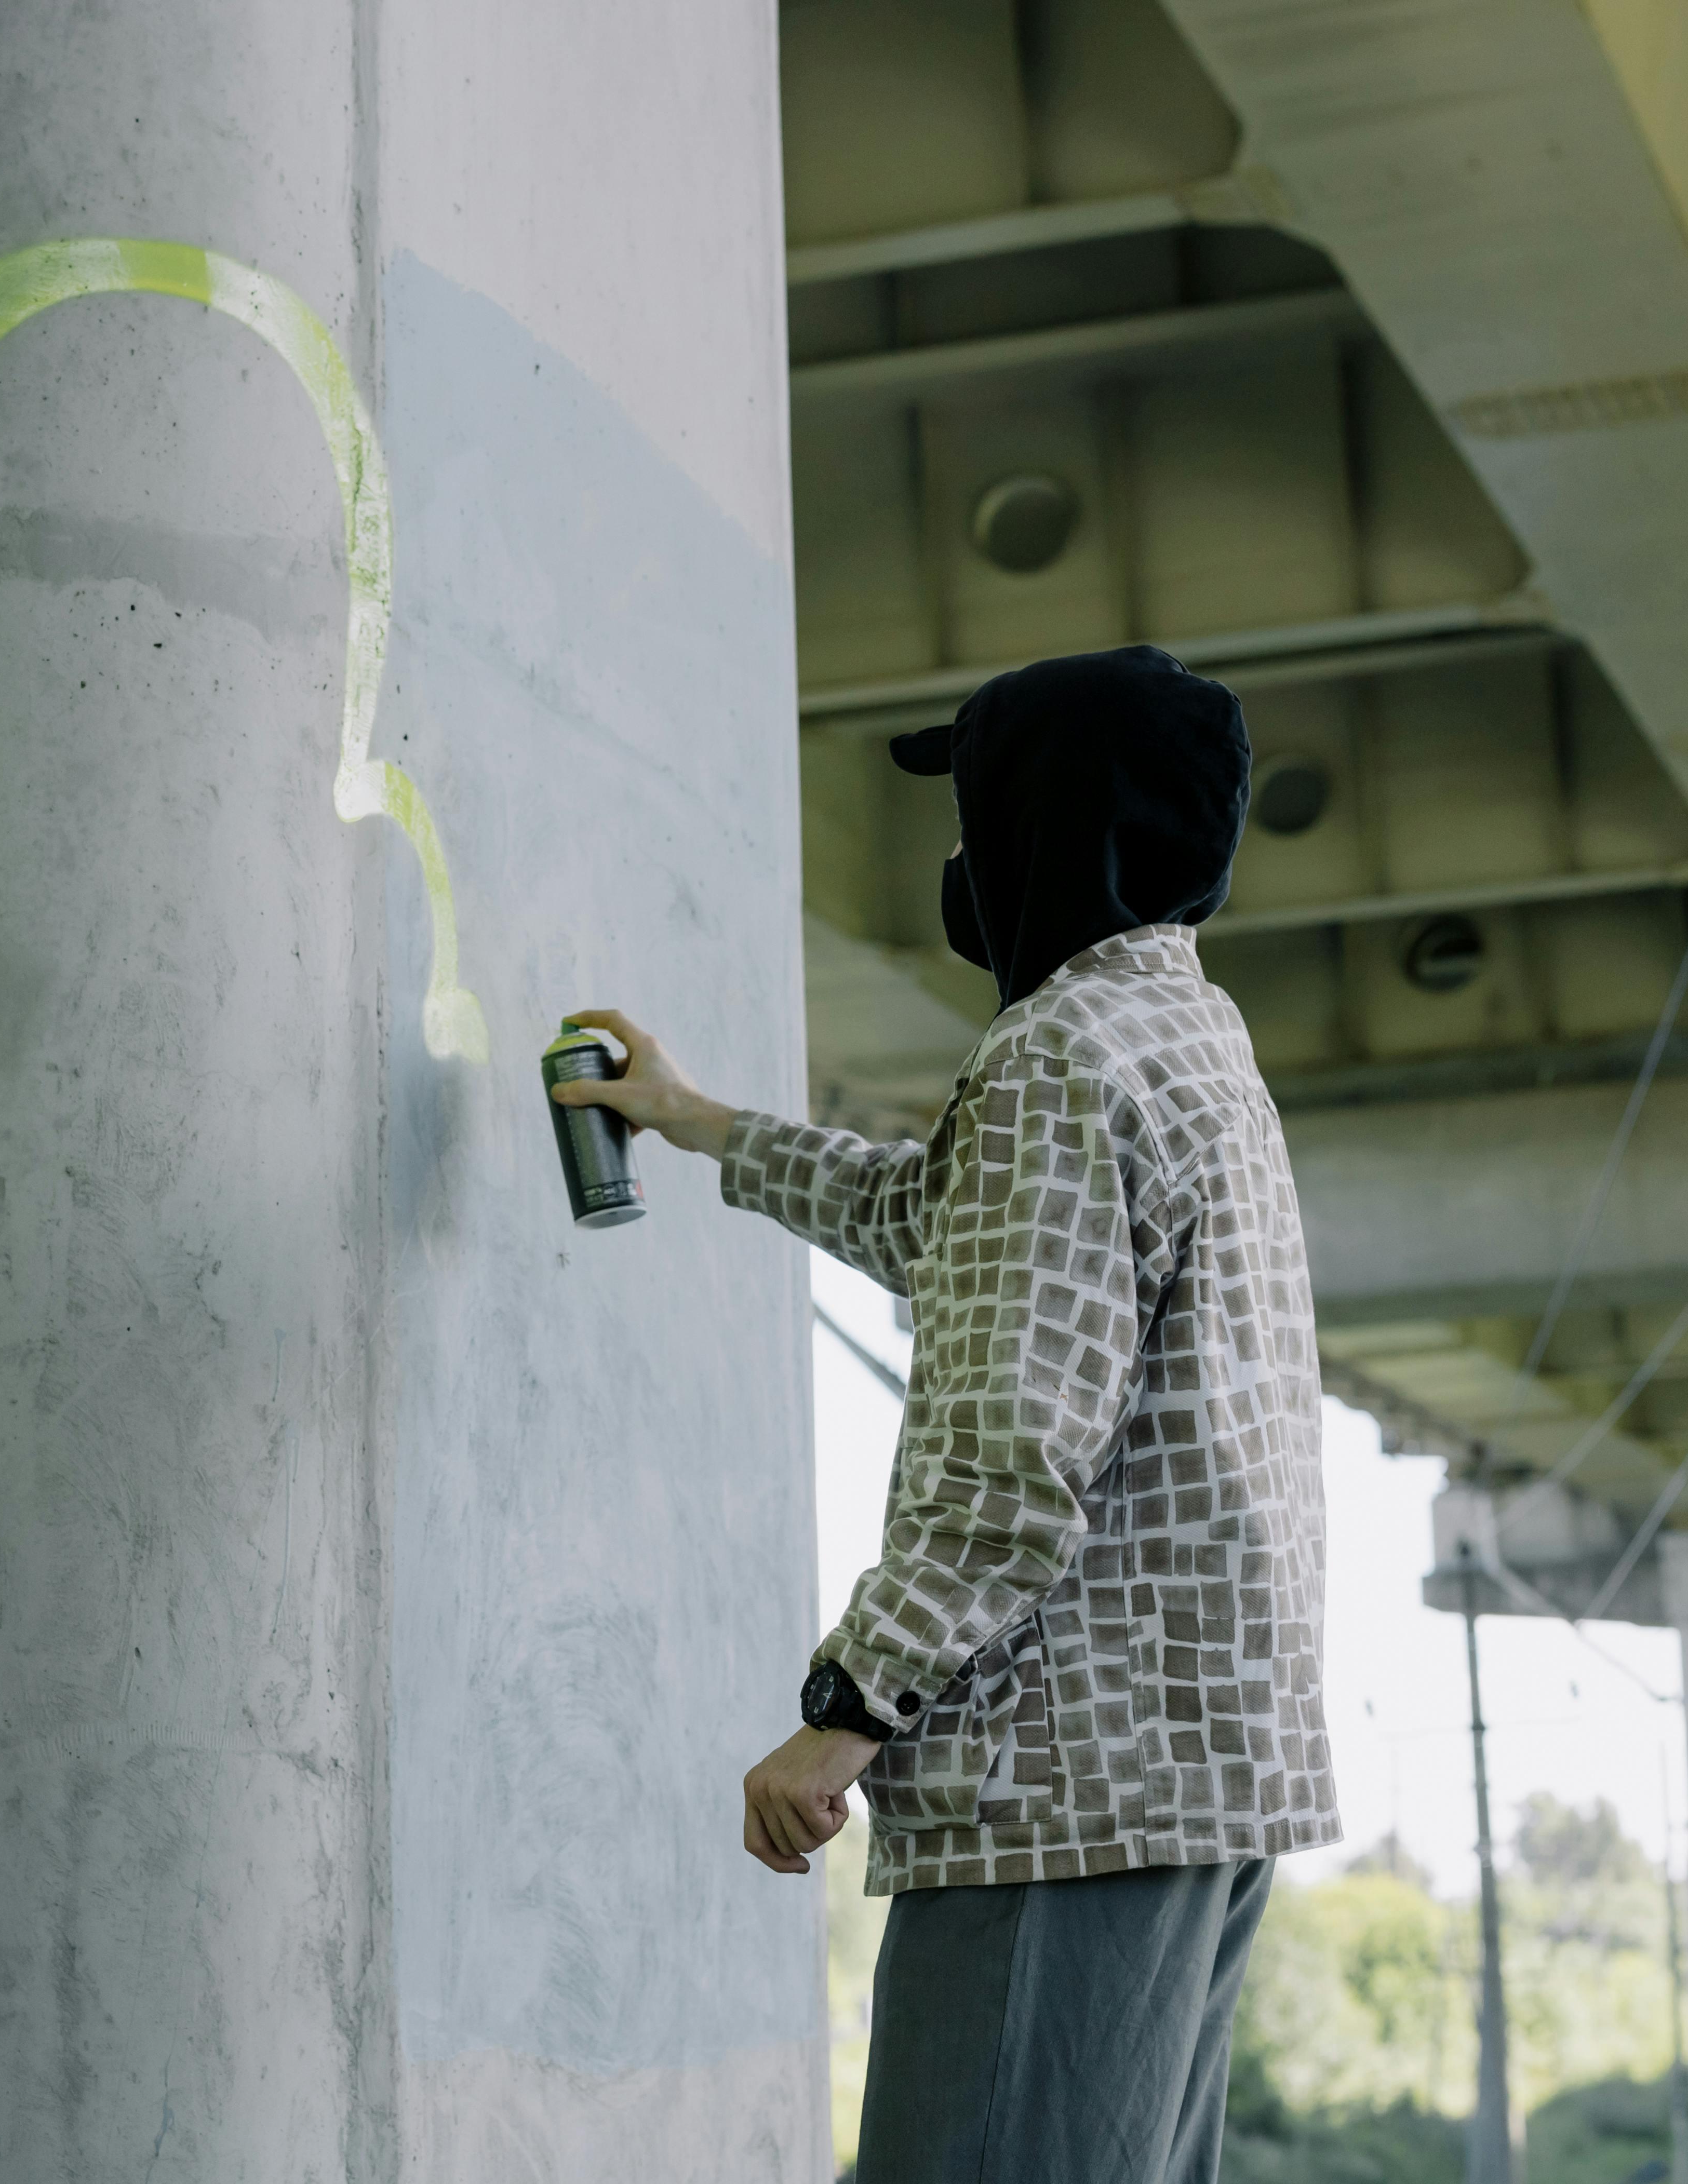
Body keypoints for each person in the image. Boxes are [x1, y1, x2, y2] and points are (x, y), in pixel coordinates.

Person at [556, 644, 1336, 2183]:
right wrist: (697, 1119)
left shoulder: (1058, 1054)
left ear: (1054, 823)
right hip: (1199, 1786)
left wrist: (846, 1714)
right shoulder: (1193, 1042)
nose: (966, 862)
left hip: (1065, 1790)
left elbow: (1015, 1444)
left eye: (982, 812)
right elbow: (948, 1226)